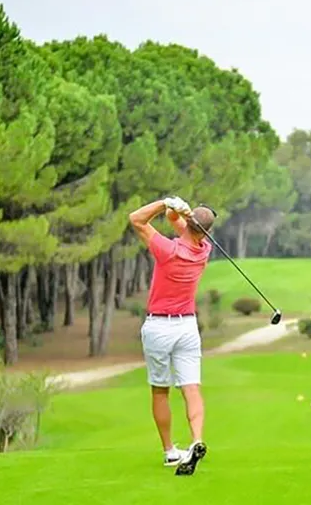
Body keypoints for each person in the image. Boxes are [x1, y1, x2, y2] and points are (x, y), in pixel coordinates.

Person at [128, 196, 216, 476]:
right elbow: (181, 226)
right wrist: (178, 213)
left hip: (159, 327)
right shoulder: (205, 250)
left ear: (189, 223)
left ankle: (169, 452)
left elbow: (136, 219)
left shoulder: (167, 249)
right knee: (191, 388)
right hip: (188, 327)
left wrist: (164, 202)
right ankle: (197, 441)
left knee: (160, 390)